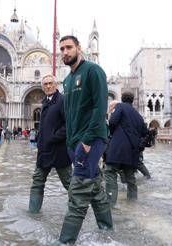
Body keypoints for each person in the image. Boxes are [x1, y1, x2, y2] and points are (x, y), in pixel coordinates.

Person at [54, 35, 113, 245]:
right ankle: (107, 229)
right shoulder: (68, 80)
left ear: (78, 48)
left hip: (92, 139)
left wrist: (86, 141)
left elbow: (100, 108)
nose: (65, 52)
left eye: (69, 47)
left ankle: (65, 241)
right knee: (94, 185)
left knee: (78, 189)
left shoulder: (93, 71)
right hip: (74, 142)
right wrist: (70, 142)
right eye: (61, 49)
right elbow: (70, 114)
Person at [28, 74, 72, 214]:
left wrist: (53, 137)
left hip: (59, 150)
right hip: (44, 151)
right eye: (45, 84)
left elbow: (69, 124)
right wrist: (41, 141)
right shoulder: (45, 102)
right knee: (37, 181)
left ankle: (79, 208)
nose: (48, 86)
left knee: (68, 182)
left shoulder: (63, 100)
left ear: (56, 84)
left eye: (50, 83)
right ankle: (33, 213)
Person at [104, 91, 148, 208]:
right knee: (130, 178)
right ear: (132, 100)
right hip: (132, 151)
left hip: (118, 147)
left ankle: (111, 204)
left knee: (110, 172)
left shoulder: (120, 106)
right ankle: (132, 204)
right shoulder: (138, 115)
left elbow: (112, 121)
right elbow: (144, 132)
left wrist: (114, 133)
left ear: (122, 99)